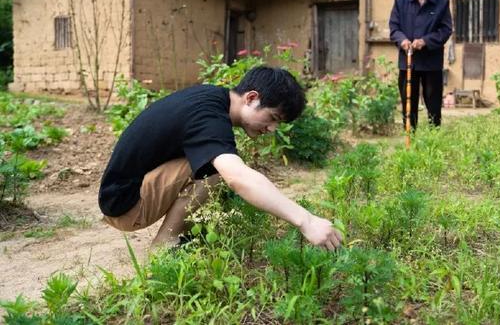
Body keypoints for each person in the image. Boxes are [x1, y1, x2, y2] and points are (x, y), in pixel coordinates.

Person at [98, 66, 342, 251]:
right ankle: (164, 247)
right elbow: (238, 178)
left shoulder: (213, 98)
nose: (272, 129)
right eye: (273, 117)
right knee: (217, 170)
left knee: (216, 162)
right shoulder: (209, 117)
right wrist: (306, 220)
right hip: (125, 204)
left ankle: (193, 236)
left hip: (128, 192)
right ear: (251, 98)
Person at [389, 0, 452, 128]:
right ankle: (410, 135)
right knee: (408, 101)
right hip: (408, 61)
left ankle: (434, 136)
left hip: (431, 61)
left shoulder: (441, 2)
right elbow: (394, 27)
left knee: (433, 102)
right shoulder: (400, 0)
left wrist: (425, 41)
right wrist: (402, 40)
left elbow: (445, 30)